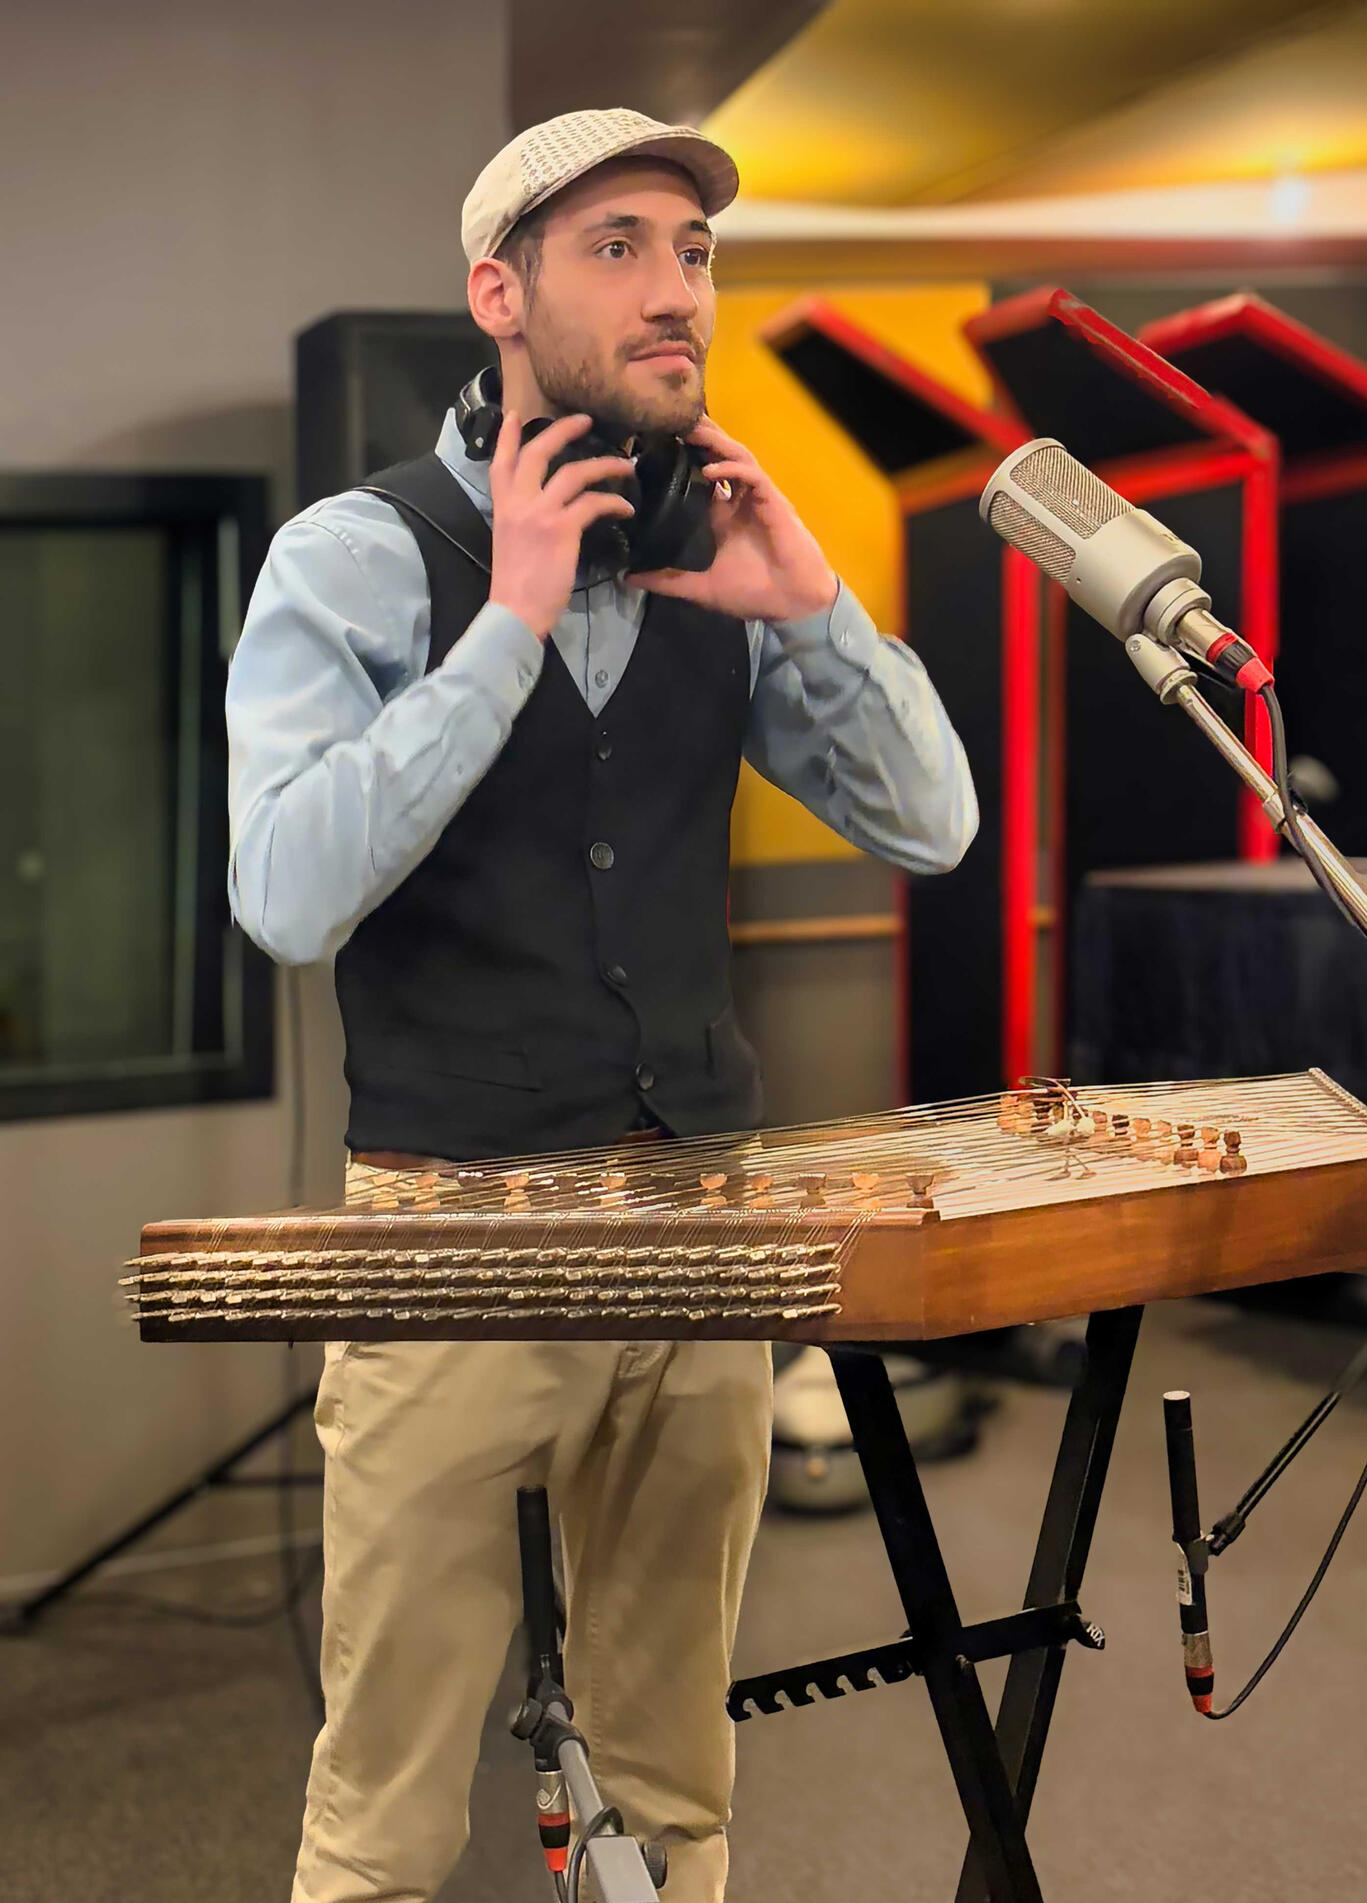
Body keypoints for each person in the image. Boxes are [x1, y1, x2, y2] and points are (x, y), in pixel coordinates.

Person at [225, 107, 978, 1903]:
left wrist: (817, 608)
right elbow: (284, 893)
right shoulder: (355, 552)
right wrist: (508, 627)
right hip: (454, 1231)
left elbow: (935, 826)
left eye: (694, 253)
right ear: (501, 295)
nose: (676, 292)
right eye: (620, 248)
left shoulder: (715, 550)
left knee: (672, 1776)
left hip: (699, 1223)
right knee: (387, 1813)